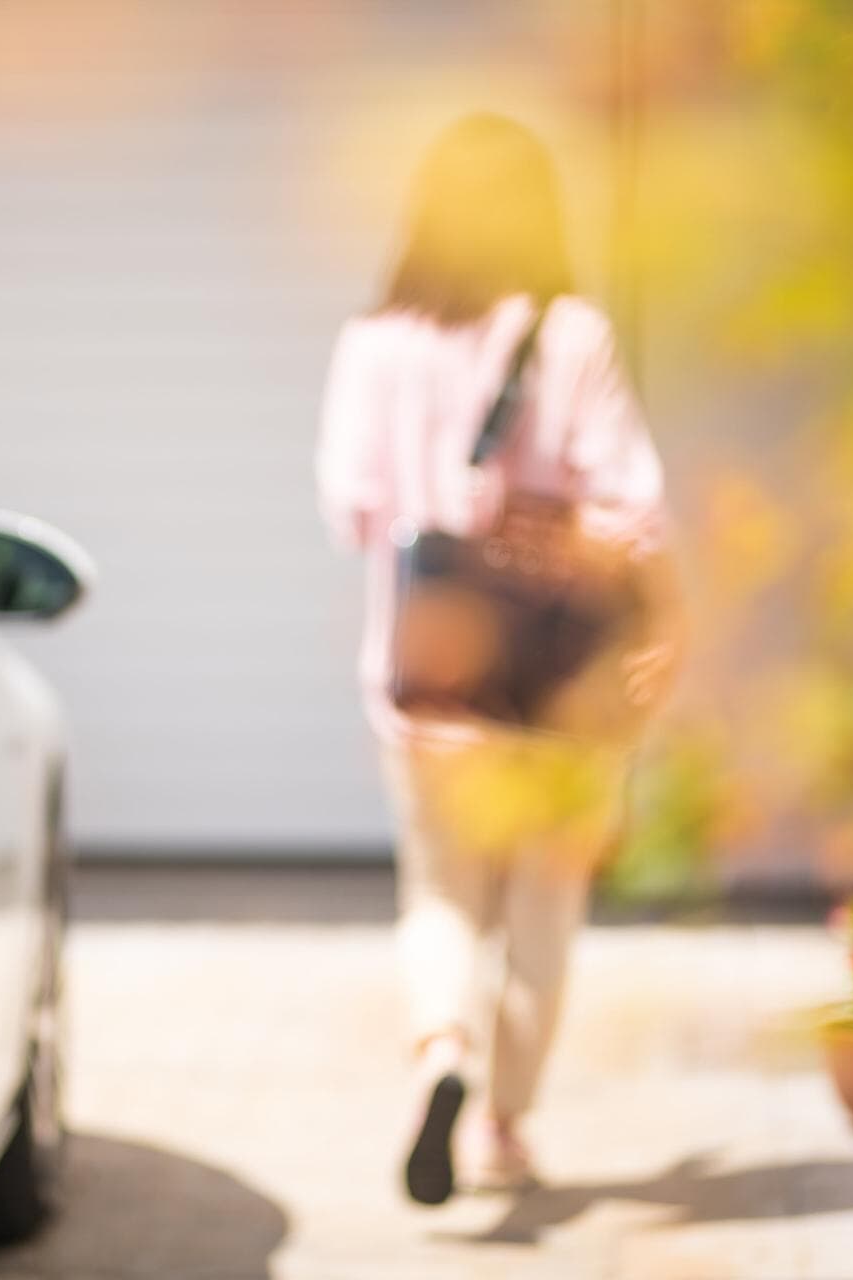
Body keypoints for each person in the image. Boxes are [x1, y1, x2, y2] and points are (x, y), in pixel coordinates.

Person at [315, 113, 681, 1206]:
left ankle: (443, 1053)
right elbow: (635, 510)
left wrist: (440, 503)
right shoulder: (572, 336)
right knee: (541, 907)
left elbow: (349, 506)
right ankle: (505, 1128)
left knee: (439, 891)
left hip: (429, 675)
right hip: (560, 683)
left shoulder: (374, 343)